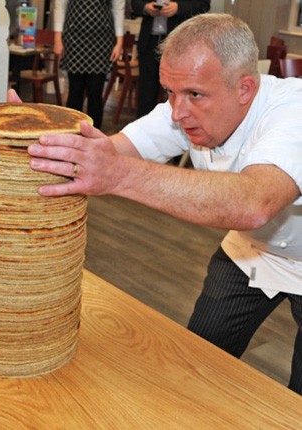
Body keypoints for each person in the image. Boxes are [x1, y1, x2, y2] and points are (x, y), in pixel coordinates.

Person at [26, 13, 302, 394]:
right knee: (197, 360)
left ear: (245, 88)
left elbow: (254, 203)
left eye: (194, 95)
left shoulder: (292, 112)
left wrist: (119, 176)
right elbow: (106, 151)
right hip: (253, 250)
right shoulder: (183, 110)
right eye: (170, 92)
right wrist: (24, 137)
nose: (177, 112)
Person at [53, 0, 125, 128]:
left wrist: (119, 42)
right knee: (75, 90)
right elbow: (60, 6)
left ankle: (94, 134)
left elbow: (118, 9)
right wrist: (57, 38)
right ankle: (72, 131)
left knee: (95, 91)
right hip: (73, 37)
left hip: (102, 40)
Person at [131, 0, 209, 118]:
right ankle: (144, 126)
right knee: (146, 93)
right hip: (149, 42)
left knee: (178, 90)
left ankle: (180, 124)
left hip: (179, 44)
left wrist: (178, 7)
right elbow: (135, 3)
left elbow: (203, 4)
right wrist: (146, 7)